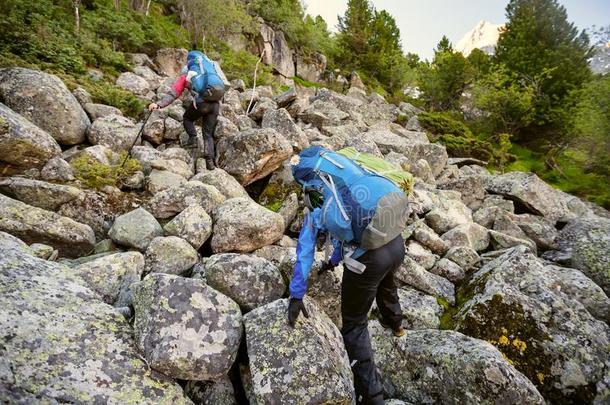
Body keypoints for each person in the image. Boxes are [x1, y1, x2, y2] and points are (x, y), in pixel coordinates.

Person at [287, 146, 409, 405]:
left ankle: (372, 395)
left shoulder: (318, 199)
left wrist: (296, 294)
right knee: (387, 282)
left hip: (367, 261)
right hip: (395, 244)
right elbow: (346, 225)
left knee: (354, 324)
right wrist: (333, 261)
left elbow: (306, 250)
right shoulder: (348, 174)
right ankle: (396, 324)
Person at [148, 50, 226, 170]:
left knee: (187, 118)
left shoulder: (185, 77)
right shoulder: (209, 74)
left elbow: (173, 94)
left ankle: (193, 139)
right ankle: (209, 162)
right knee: (208, 133)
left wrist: (158, 105)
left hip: (201, 104)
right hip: (215, 105)